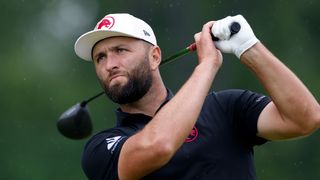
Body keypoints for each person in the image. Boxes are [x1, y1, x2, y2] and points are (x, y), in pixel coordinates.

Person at [74, 13, 320, 180]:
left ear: (155, 57)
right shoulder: (102, 148)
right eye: (100, 58)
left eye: (120, 50)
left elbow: (306, 118)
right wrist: (206, 66)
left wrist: (249, 47)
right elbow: (159, 146)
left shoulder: (226, 108)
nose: (110, 64)